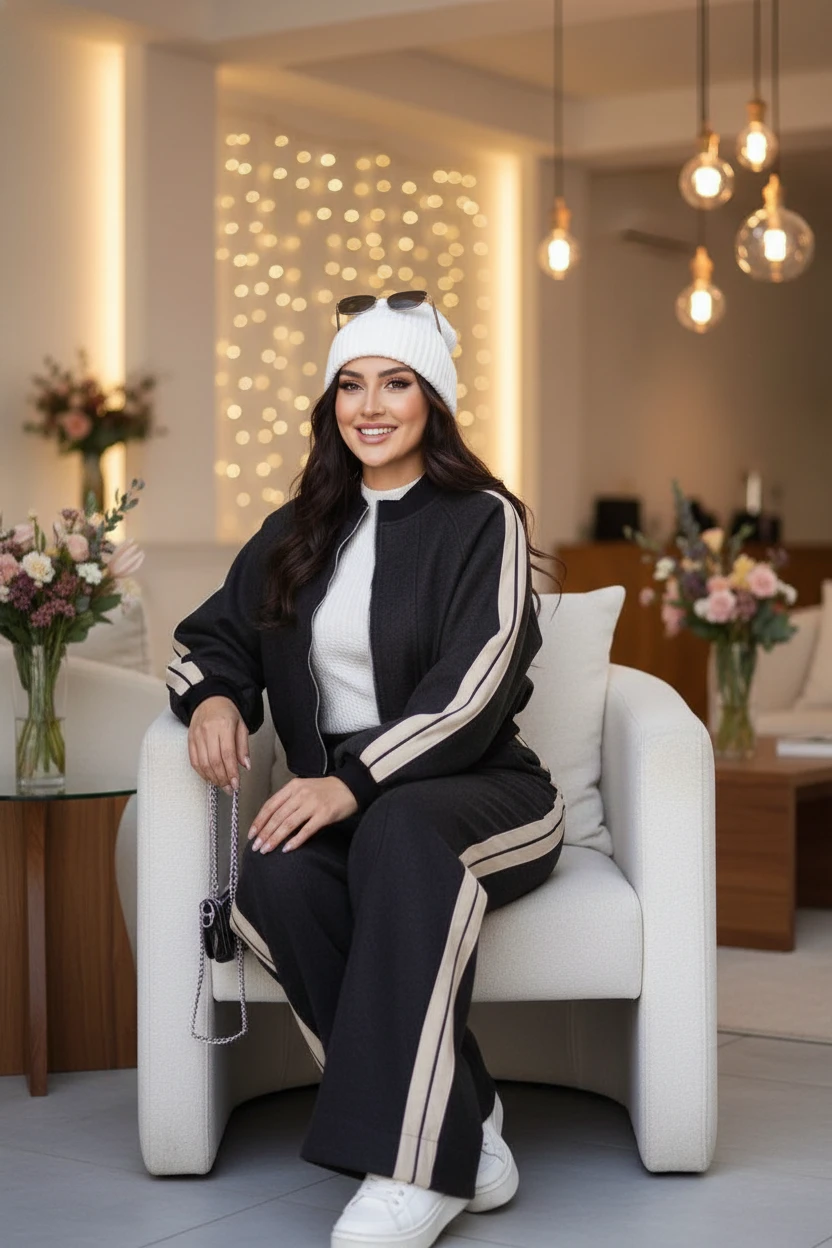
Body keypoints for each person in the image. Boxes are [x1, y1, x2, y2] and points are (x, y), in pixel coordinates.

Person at [167, 291, 566, 1248]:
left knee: (394, 827)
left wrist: (353, 781)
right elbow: (213, 637)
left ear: (434, 399)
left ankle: (413, 1169)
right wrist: (214, 698)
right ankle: (461, 1118)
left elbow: (475, 686)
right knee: (273, 876)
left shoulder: (482, 520)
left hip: (486, 794)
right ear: (331, 403)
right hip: (346, 806)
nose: (371, 406)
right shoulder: (296, 528)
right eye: (351, 385)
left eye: (396, 383)